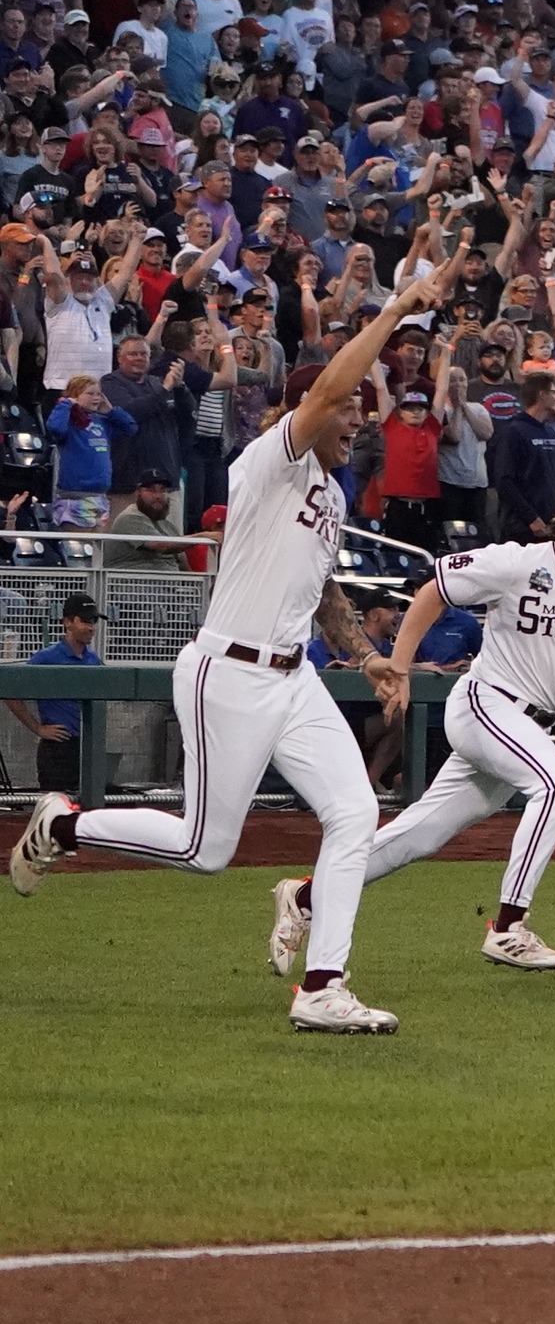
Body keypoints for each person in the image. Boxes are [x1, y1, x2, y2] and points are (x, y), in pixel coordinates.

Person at [14, 248, 467, 1038]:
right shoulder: (272, 462)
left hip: (294, 681)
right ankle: (63, 824)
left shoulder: (328, 492)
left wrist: (364, 656)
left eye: (361, 409)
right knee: (206, 847)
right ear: (307, 414)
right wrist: (396, 311)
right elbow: (325, 388)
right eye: (348, 410)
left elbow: (323, 593)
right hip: (227, 671)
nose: (356, 417)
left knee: (356, 813)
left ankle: (323, 985)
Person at [284, 475, 555, 975]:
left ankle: (305, 896)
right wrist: (400, 667)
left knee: (420, 835)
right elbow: (434, 591)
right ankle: (510, 927)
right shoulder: (520, 562)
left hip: (526, 726)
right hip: (484, 704)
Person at [10, 592, 105, 798]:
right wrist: (38, 728)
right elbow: (10, 691)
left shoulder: (93, 659)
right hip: (57, 750)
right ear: (68, 623)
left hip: (87, 748)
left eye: (94, 621)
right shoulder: (47, 657)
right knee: (56, 813)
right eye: (86, 621)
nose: (92, 627)